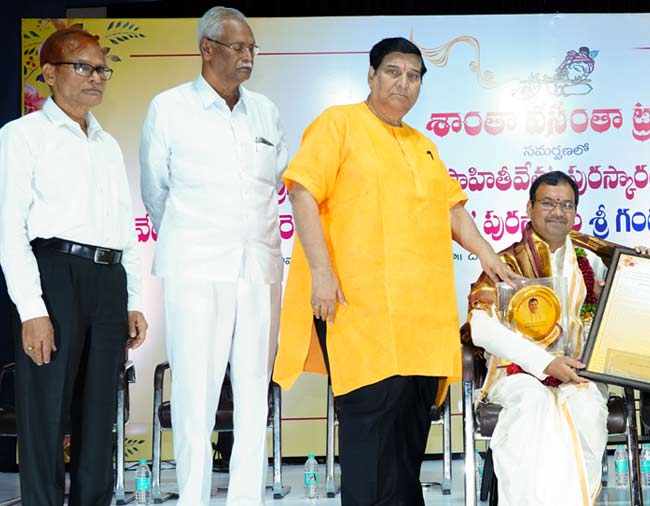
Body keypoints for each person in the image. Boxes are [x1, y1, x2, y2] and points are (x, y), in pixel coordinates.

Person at [271, 37, 516, 506]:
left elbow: (452, 209)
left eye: (414, 75)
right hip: (361, 315)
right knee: (370, 441)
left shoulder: (422, 145)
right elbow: (302, 191)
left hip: (423, 322)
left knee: (407, 446)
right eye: (393, 71)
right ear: (371, 75)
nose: (404, 83)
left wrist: (486, 252)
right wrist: (321, 271)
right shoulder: (337, 124)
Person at [139, 7, 285, 504]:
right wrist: (190, 238)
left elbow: (275, 187)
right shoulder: (170, 108)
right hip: (196, 269)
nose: (247, 57)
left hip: (259, 270)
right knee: (195, 395)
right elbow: (155, 191)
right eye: (237, 47)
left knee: (252, 395)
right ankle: (194, 498)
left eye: (251, 49)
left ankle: (247, 498)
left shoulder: (266, 111)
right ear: (206, 48)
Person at [0, 27, 148, 505]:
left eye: (101, 68)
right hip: (54, 276)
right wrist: (31, 310)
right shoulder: (21, 137)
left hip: (109, 280)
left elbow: (124, 228)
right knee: (45, 413)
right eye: (82, 67)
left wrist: (133, 300)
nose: (96, 78)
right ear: (48, 73)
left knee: (99, 411)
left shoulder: (106, 143)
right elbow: (9, 229)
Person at [464, 171, 618, 506]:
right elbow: (480, 326)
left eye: (566, 205)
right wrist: (545, 363)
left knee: (587, 410)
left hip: (577, 374)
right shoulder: (505, 261)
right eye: (548, 203)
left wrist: (631, 278)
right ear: (529, 208)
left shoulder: (592, 261)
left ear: (575, 213)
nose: (557, 212)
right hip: (516, 374)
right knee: (532, 405)